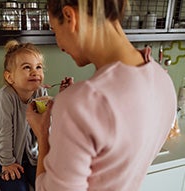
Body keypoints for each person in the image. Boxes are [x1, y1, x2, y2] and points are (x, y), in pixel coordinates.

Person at [26, 1, 177, 191]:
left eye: (55, 31)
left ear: (70, 17)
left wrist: (42, 135)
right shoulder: (162, 79)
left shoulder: (80, 103)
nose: (59, 45)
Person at [0, 40, 47, 191]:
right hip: (7, 156)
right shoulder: (5, 97)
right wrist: (7, 162)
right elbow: (3, 133)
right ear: (10, 78)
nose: (35, 72)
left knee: (47, 185)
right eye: (27, 67)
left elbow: (44, 127)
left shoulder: (41, 93)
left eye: (38, 67)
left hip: (32, 155)